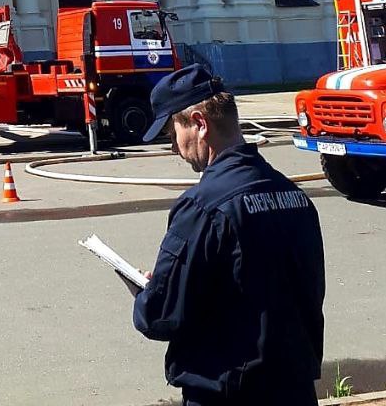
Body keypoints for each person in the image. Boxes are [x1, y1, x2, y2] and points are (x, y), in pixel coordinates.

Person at [131, 65, 325, 406]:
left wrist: (148, 292)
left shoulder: (201, 208)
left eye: (171, 131)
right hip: (294, 388)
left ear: (199, 124)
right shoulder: (295, 197)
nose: (174, 147)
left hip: (229, 393)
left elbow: (160, 315)